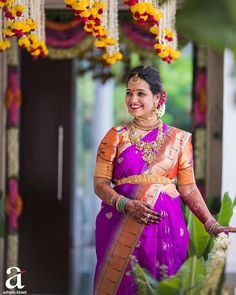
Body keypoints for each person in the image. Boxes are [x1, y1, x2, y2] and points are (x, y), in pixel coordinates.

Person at [93, 65, 236, 295]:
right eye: (129, 92)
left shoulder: (179, 139)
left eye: (141, 93)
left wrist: (211, 223)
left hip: (166, 226)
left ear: (158, 97)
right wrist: (126, 205)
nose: (133, 99)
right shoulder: (115, 136)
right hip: (119, 224)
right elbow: (99, 184)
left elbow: (188, 188)